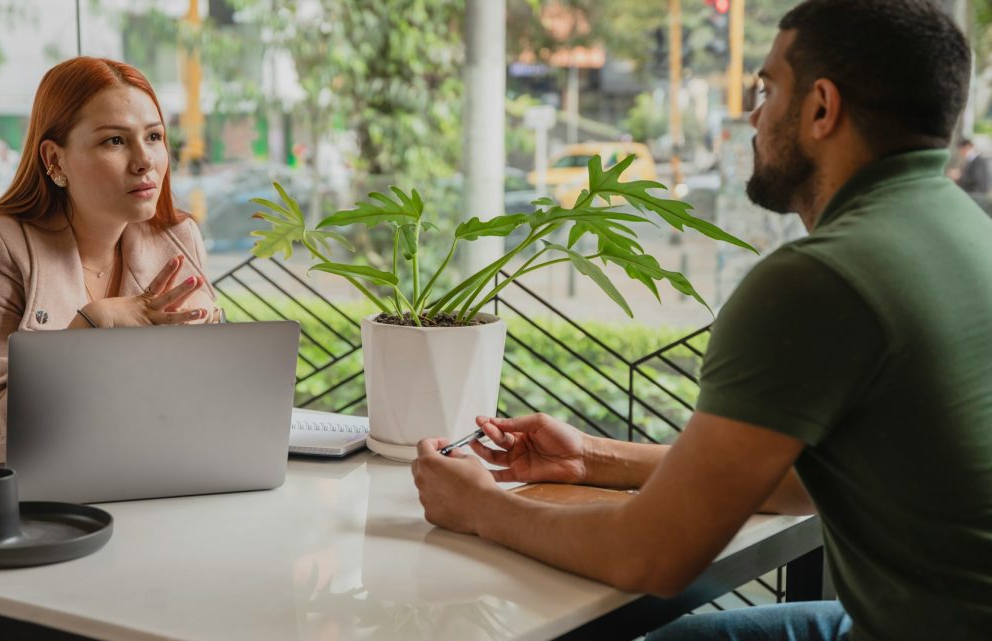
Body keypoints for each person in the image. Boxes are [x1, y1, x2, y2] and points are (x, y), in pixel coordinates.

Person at [412, 2, 992, 640]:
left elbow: (654, 555)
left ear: (822, 108)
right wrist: (594, 459)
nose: (753, 112)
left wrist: (477, 508)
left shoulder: (822, 278)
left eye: (767, 88)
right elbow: (806, 479)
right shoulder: (965, 230)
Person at [0, 57, 220, 489]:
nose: (144, 160)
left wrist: (211, 355)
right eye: (115, 141)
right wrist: (92, 327)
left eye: (154, 137)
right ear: (55, 159)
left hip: (114, 478)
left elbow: (195, 398)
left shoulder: (177, 238)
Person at [951, 137, 991, 203]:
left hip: (976, 198)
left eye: (961, 150)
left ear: (968, 147)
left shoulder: (979, 161)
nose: (961, 153)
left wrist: (959, 176)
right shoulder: (971, 161)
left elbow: (977, 179)